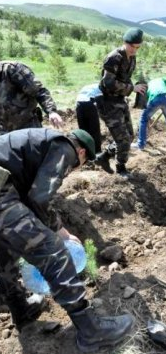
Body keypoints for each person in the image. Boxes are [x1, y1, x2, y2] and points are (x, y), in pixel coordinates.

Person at [0, 128, 133, 352]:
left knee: (4, 251)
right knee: (53, 250)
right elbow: (40, 197)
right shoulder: (65, 148)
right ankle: (92, 331)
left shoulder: (38, 143)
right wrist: (59, 231)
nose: (73, 169)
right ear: (81, 152)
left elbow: (29, 197)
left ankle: (21, 311)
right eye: (80, 163)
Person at [96, 28, 147, 178]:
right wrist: (132, 88)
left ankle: (104, 156)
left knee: (130, 135)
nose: (135, 50)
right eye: (132, 47)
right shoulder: (114, 57)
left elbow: (125, 78)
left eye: (138, 47)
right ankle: (121, 169)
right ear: (125, 42)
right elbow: (108, 83)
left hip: (120, 100)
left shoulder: (132, 58)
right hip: (108, 102)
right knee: (123, 138)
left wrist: (135, 89)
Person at [0, 61, 63, 133]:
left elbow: (39, 91)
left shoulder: (11, 69)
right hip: (4, 132)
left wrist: (51, 111)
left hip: (27, 128)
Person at [131, 77, 166, 150]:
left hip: (155, 98)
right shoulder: (161, 80)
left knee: (143, 119)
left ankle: (140, 144)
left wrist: (147, 124)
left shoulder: (148, 87)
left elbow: (147, 113)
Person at [75, 83, 103, 154]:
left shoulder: (89, 86)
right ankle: (97, 152)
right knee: (94, 130)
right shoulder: (103, 87)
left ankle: (86, 152)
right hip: (89, 103)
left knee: (83, 131)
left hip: (78, 104)